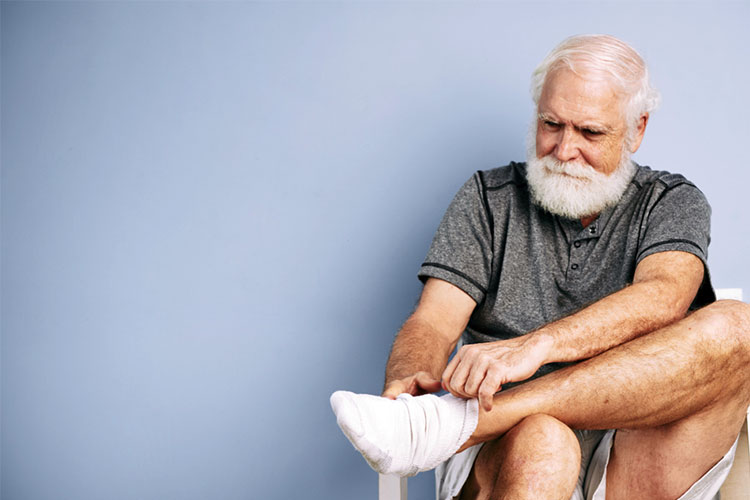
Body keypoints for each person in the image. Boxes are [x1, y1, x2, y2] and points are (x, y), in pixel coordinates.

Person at [330, 34, 750, 500]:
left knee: (740, 326)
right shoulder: (488, 199)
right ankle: (476, 423)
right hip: (511, 453)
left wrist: (537, 347)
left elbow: (666, 295)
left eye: (590, 132)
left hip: (637, 448)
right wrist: (409, 376)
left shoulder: (673, 201)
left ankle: (457, 424)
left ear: (637, 129)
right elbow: (433, 321)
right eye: (551, 124)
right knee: (545, 441)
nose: (564, 149)